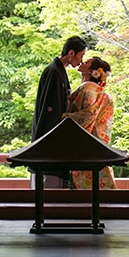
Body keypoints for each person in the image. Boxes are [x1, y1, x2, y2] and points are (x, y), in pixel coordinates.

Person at [31, 35, 87, 188]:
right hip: (49, 138)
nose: (81, 61)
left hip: (53, 137)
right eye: (81, 56)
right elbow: (51, 111)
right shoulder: (54, 72)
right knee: (48, 185)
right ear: (71, 53)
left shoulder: (58, 71)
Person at [64, 56, 117, 190]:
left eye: (87, 62)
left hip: (88, 141)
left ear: (92, 72)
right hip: (94, 141)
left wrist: (64, 117)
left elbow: (88, 116)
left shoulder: (89, 91)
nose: (83, 62)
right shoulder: (92, 90)